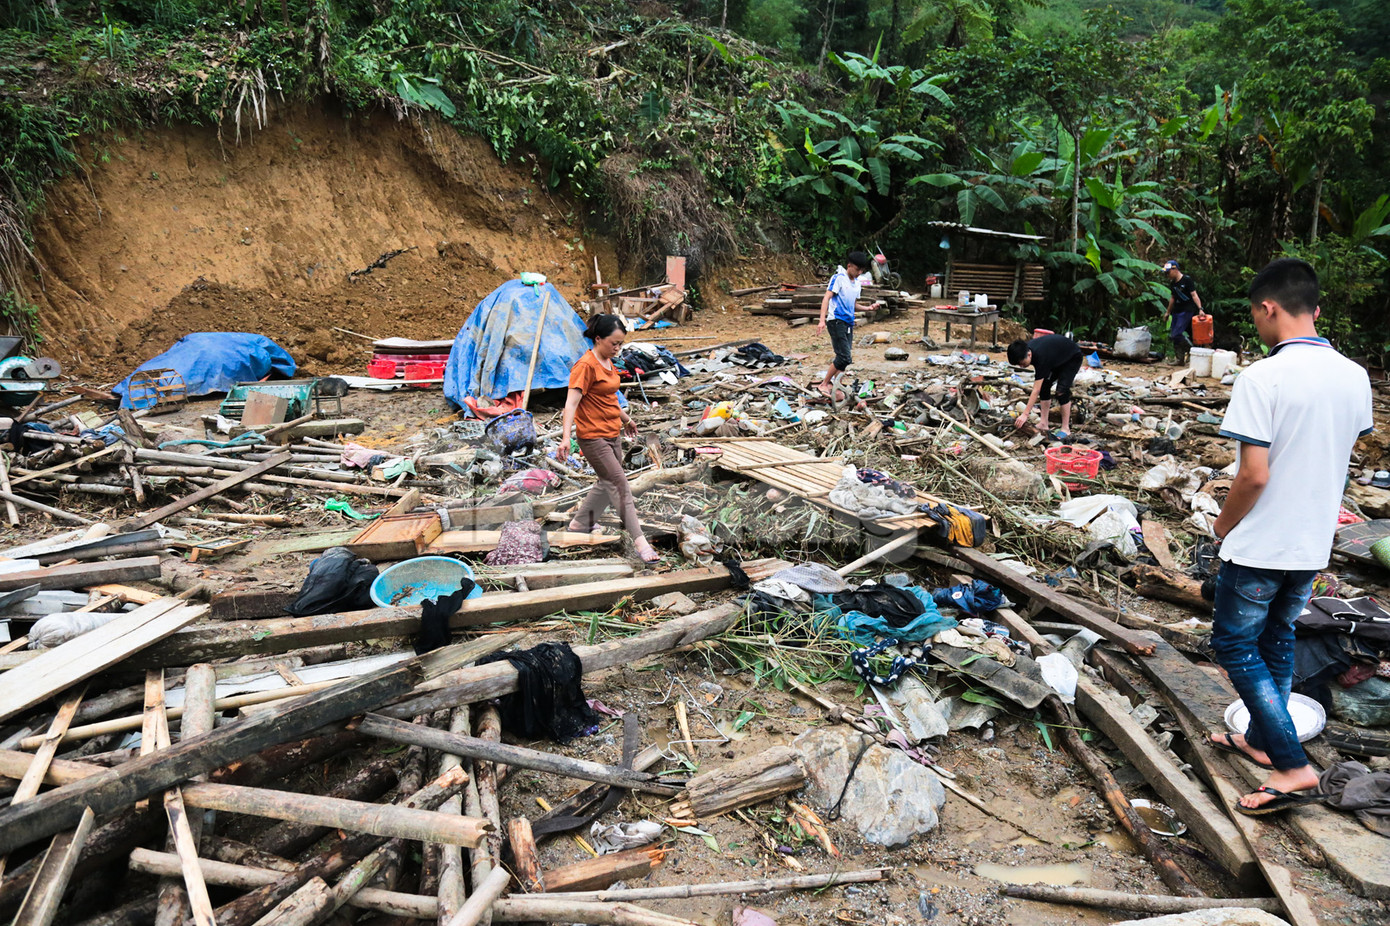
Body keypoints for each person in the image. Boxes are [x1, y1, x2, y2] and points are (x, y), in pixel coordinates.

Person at [1205, 258, 1372, 816]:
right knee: (1277, 638)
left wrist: (1221, 526)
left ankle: (1292, 765)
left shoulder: (1262, 377)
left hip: (1262, 544)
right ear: (1316, 310)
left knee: (1233, 645)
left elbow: (1253, 474)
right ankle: (1259, 735)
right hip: (1311, 542)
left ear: (1267, 308)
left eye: (1255, 315)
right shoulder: (1354, 375)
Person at [559, 314, 659, 564]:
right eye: (613, 343)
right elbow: (571, 405)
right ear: (598, 339)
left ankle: (579, 523)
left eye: (621, 343)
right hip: (592, 437)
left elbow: (609, 397)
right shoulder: (585, 366)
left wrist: (626, 419)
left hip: (613, 433)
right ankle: (640, 542)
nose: (617, 348)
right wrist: (564, 439)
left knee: (606, 481)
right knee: (619, 484)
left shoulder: (607, 362)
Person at [816, 251, 878, 397]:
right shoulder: (838, 278)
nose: (859, 273)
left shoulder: (857, 284)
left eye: (862, 270)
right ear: (849, 266)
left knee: (844, 356)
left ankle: (837, 387)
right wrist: (821, 320)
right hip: (836, 320)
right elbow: (827, 298)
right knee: (844, 357)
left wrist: (868, 308)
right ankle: (824, 383)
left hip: (848, 323)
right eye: (857, 269)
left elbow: (853, 304)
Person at [1007, 333, 1083, 439]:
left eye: (1022, 363)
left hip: (1072, 357)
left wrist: (1025, 414)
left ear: (1029, 355)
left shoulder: (1040, 357)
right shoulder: (1026, 350)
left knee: (1061, 391)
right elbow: (1040, 387)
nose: (1021, 366)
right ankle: (1044, 423)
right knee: (1044, 388)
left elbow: (1035, 390)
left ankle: (1066, 429)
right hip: (1055, 358)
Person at [1163, 259, 1207, 365]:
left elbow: (1194, 295)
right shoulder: (1173, 283)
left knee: (1177, 334)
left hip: (1186, 310)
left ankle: (1192, 351)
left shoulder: (1186, 280)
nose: (1167, 274)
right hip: (1176, 311)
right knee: (1174, 335)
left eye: (1168, 272)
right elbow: (1172, 298)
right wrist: (1167, 312)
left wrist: (1200, 309)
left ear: (1175, 269)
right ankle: (1180, 359)